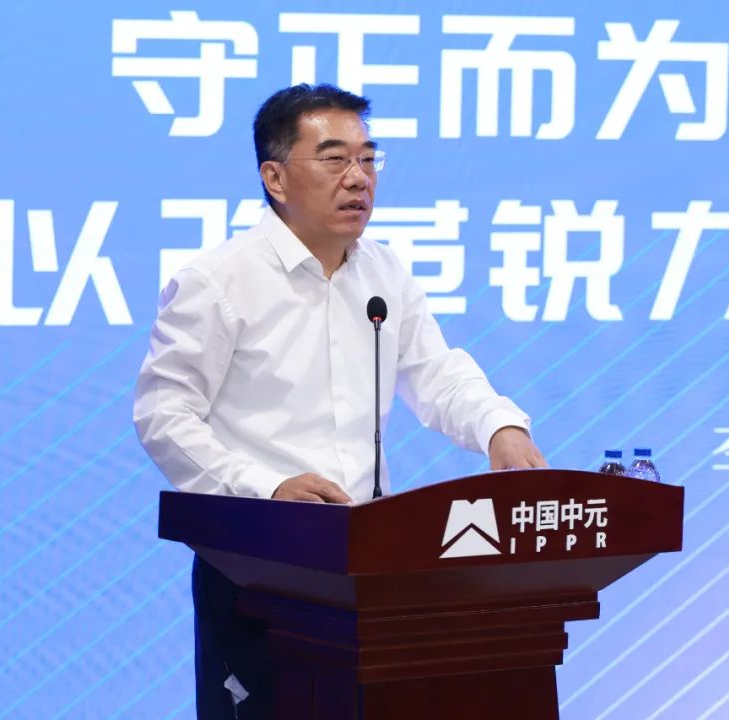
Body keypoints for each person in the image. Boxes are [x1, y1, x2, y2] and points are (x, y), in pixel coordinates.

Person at [133, 83, 546, 719]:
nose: (358, 178)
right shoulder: (217, 282)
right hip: (257, 565)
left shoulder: (384, 273)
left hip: (372, 566)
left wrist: (499, 428)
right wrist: (269, 489)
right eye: (334, 160)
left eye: (368, 159)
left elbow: (436, 373)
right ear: (274, 177)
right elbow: (164, 415)